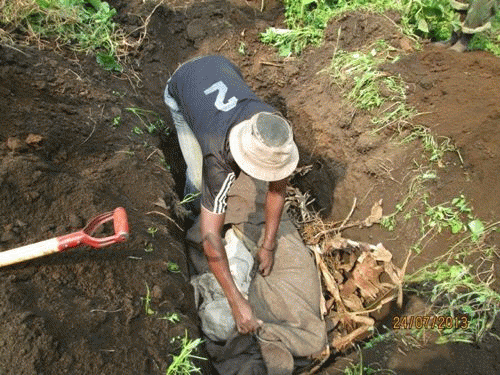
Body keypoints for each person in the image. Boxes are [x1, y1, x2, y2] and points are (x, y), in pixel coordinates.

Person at [163, 55, 299, 336]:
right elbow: (210, 239)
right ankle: (188, 208)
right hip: (182, 83)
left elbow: (278, 188)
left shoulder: (274, 128)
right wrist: (236, 302)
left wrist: (269, 244)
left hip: (220, 65)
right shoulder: (217, 160)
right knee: (197, 176)